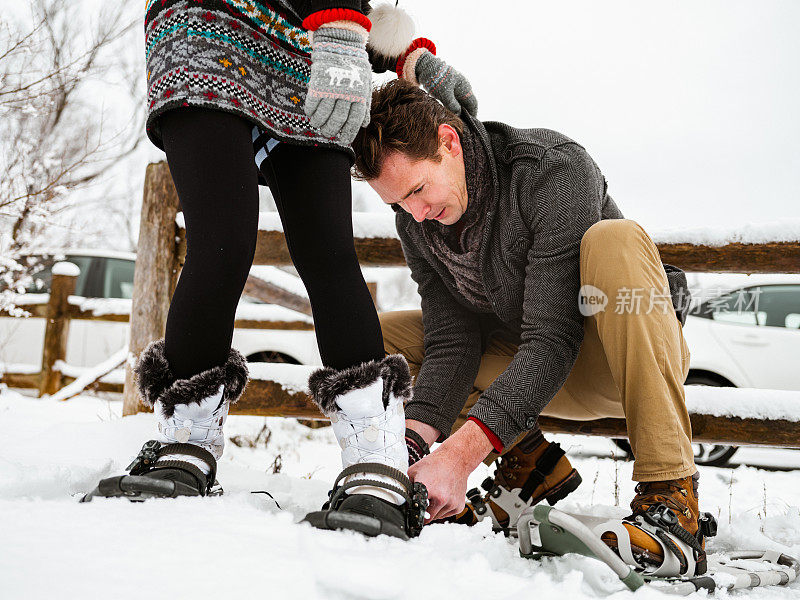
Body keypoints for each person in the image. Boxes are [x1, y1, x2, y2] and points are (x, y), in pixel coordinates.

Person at [82, 1, 472, 539]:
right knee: (222, 242)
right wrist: (339, 33)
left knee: (328, 251)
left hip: (304, 48)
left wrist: (406, 56)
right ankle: (186, 441)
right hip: (208, 26)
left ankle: (375, 460)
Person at [352, 77, 710, 570]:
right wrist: (410, 450)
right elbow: (452, 343)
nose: (417, 213)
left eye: (417, 189)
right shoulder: (418, 221)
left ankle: (672, 500)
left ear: (448, 142)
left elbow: (554, 338)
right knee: (385, 338)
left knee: (615, 240)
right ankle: (531, 465)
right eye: (399, 204)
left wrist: (460, 457)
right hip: (530, 364)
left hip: (616, 362)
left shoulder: (551, 170)